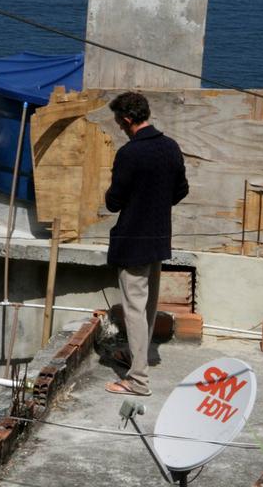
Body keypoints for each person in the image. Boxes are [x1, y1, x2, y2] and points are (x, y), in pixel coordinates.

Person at [103, 91, 188, 396]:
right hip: (159, 238)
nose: (120, 128)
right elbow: (181, 190)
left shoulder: (129, 154)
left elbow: (114, 202)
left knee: (135, 310)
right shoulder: (170, 147)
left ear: (127, 120)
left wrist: (118, 196)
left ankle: (137, 380)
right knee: (148, 307)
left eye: (119, 123)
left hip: (132, 241)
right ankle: (139, 357)